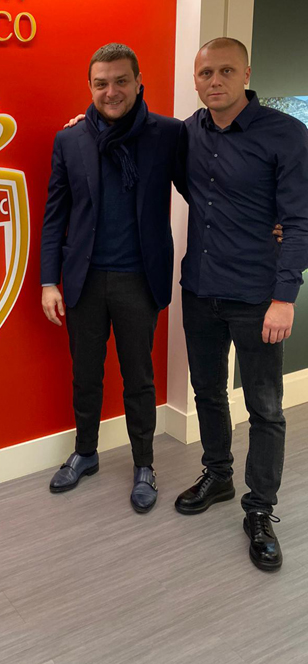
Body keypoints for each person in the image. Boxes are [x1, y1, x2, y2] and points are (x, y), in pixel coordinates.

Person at [174, 38, 308, 572]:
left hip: (258, 297)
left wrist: (284, 298)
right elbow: (140, 139)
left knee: (265, 407)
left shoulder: (286, 134)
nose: (214, 81)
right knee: (207, 391)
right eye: (205, 72)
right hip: (200, 289)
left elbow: (299, 222)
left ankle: (260, 509)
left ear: (246, 74)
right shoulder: (187, 133)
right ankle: (219, 475)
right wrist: (86, 120)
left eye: (226, 71)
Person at [40, 43, 184, 512]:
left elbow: (205, 188)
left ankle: (144, 464)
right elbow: (55, 215)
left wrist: (266, 219)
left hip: (138, 279)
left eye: (121, 81)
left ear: (139, 82)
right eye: (101, 83)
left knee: (138, 378)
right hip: (83, 280)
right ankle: (86, 453)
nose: (111, 91)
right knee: (85, 375)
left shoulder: (168, 134)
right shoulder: (71, 140)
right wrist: (48, 281)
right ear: (90, 86)